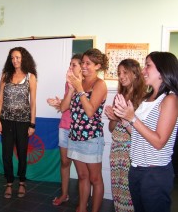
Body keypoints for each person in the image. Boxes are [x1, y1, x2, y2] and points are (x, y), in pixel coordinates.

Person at [113, 51, 178, 212]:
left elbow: (159, 141)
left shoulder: (170, 99)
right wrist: (124, 120)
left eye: (148, 65)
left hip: (154, 173)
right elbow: (138, 135)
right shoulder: (148, 98)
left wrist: (132, 118)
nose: (143, 71)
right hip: (136, 169)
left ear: (162, 71)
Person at [61, 48, 108, 212]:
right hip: (75, 136)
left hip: (91, 138)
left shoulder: (99, 84)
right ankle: (82, 207)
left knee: (95, 179)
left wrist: (79, 87)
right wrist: (72, 88)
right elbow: (63, 107)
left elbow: (90, 111)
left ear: (97, 66)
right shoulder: (78, 81)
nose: (84, 66)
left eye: (88, 63)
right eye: (83, 63)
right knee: (82, 176)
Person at [0, 47, 37, 199]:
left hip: (23, 122)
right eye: (12, 58)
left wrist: (32, 124)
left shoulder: (30, 77)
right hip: (6, 121)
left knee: (21, 153)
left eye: (18, 57)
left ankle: (22, 182)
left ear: (23, 58)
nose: (15, 60)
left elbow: (32, 103)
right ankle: (8, 183)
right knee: (6, 153)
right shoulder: (5, 75)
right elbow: (0, 99)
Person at [105, 59, 146, 212]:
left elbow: (141, 129)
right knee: (117, 188)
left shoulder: (143, 97)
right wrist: (113, 117)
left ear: (135, 73)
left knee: (129, 190)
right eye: (119, 73)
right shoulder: (119, 97)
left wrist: (120, 118)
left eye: (124, 72)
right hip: (116, 148)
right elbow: (111, 128)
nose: (121, 76)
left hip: (131, 148)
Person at [47, 54, 82, 206]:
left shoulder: (88, 84)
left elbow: (84, 107)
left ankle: (83, 199)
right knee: (64, 162)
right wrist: (59, 103)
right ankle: (64, 194)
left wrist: (63, 103)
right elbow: (66, 105)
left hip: (80, 129)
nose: (70, 68)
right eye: (70, 64)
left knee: (82, 169)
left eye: (73, 65)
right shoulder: (68, 83)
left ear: (83, 67)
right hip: (65, 126)